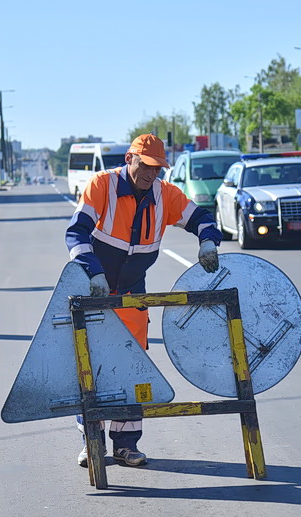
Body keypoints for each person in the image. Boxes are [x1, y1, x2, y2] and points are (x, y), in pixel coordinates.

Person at [65, 134, 222, 468]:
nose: (151, 174)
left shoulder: (165, 195)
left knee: (132, 367)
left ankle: (125, 444)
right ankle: (90, 442)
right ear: (129, 159)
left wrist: (208, 243)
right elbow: (76, 233)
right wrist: (93, 272)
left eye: (157, 168)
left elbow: (203, 217)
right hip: (93, 289)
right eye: (146, 166)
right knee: (91, 366)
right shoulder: (102, 186)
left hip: (133, 293)